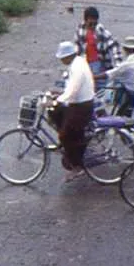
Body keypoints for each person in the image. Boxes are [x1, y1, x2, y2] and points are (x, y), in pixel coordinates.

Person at [55, 41, 96, 177]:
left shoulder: (77, 68)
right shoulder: (77, 62)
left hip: (82, 106)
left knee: (65, 135)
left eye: (62, 57)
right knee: (60, 117)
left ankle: (76, 165)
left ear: (68, 56)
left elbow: (73, 89)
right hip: (78, 104)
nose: (61, 60)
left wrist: (58, 100)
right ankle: (72, 154)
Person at [76, 6, 123, 79]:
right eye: (90, 24)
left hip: (99, 63)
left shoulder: (100, 31)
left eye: (95, 23)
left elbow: (114, 45)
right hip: (85, 62)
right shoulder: (80, 30)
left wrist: (118, 66)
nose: (93, 26)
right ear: (85, 20)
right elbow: (77, 47)